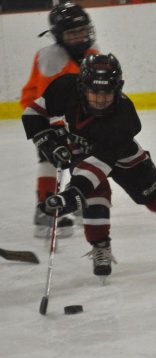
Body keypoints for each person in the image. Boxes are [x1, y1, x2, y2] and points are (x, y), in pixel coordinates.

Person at [21, 53, 156, 277]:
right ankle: (100, 247)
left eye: (107, 93)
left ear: (118, 89)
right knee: (95, 195)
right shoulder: (66, 86)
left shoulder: (124, 118)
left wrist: (71, 196)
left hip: (123, 156)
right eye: (95, 93)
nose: (101, 100)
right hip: (82, 150)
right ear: (82, 87)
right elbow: (33, 113)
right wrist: (46, 139)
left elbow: (96, 167)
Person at [20, 1, 98, 238]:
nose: (80, 36)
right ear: (58, 36)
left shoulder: (93, 52)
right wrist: (56, 131)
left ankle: (77, 200)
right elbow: (49, 101)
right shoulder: (50, 57)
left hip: (73, 113)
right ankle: (44, 210)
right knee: (50, 157)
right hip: (41, 113)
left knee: (86, 155)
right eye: (72, 33)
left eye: (82, 30)